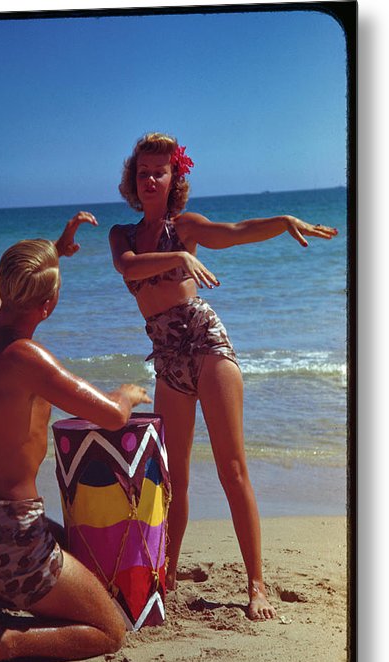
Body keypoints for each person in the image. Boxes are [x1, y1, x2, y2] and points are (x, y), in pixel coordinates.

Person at [109, 133, 338, 621]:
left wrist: (280, 222)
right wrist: (179, 259)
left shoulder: (185, 226)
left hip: (206, 344)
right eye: (143, 172)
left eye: (160, 172)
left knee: (232, 469)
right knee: (175, 480)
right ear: (134, 180)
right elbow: (128, 268)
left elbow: (234, 229)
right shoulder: (122, 237)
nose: (150, 179)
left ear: (174, 180)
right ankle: (166, 575)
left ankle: (256, 584)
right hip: (168, 357)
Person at [0, 211, 151, 662]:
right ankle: (6, 641)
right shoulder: (29, 359)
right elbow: (112, 416)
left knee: (71, 543)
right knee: (109, 629)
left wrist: (55, 249)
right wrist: (128, 393)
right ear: (49, 304)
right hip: (14, 541)